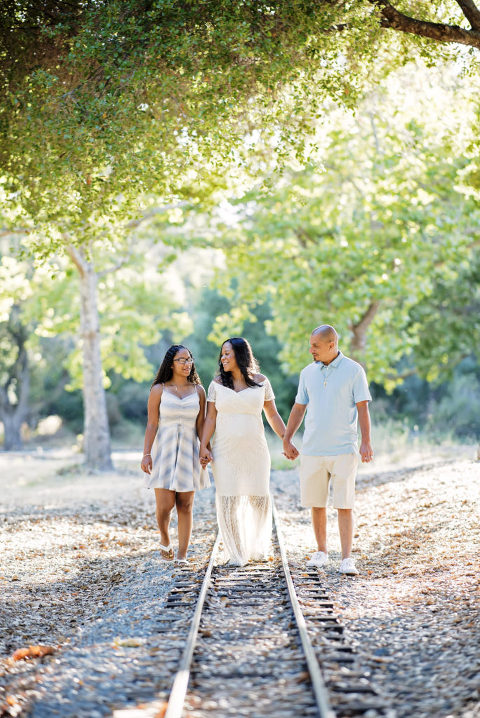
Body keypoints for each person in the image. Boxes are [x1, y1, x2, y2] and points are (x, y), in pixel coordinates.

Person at [283, 325, 373, 576]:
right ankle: (321, 551)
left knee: (344, 503)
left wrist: (366, 442)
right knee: (316, 502)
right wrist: (287, 438)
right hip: (312, 449)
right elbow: (299, 408)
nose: (310, 350)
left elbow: (363, 408)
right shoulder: (307, 373)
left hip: (344, 448)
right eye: (311, 345)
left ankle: (346, 558)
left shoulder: (354, 370)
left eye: (315, 346)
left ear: (331, 344)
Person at [199, 337, 286, 566]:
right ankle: (236, 553)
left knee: (258, 498)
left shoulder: (261, 382)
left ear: (241, 355)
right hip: (225, 451)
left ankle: (257, 547)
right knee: (229, 500)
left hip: (255, 450)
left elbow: (273, 415)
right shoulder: (217, 384)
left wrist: (287, 440)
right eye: (222, 354)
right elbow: (210, 418)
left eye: (227, 353)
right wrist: (203, 446)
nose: (223, 358)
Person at [141, 345, 210, 564]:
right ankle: (164, 536)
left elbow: (201, 424)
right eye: (182, 360)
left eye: (189, 359)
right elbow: (152, 424)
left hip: (189, 452)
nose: (187, 363)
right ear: (171, 363)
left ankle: (182, 555)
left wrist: (205, 447)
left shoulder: (199, 390)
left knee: (186, 505)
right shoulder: (159, 389)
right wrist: (146, 454)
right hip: (165, 452)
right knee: (164, 506)